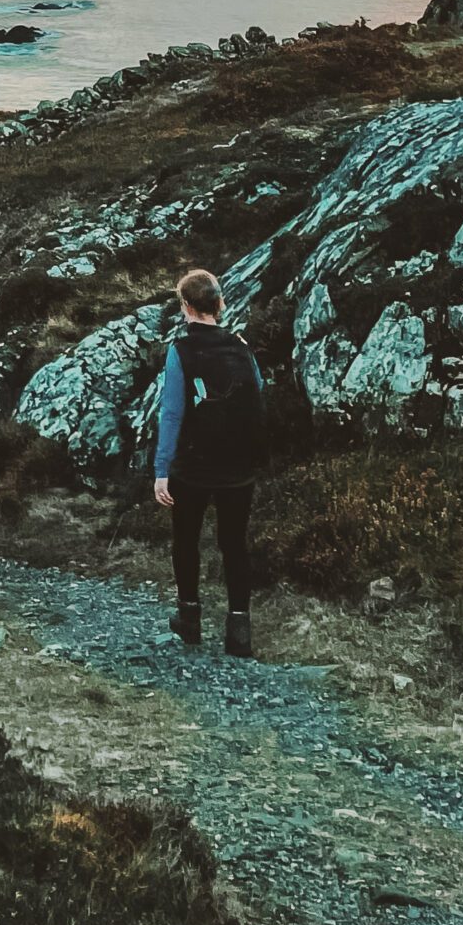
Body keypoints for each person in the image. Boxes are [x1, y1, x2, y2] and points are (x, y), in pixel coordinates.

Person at [152, 267, 268, 655]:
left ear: (185, 306)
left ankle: (189, 620)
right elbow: (258, 394)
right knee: (234, 544)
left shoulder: (181, 350)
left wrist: (162, 470)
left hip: (193, 467)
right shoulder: (240, 345)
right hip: (238, 466)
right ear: (219, 304)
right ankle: (239, 631)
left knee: (186, 541)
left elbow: (172, 413)